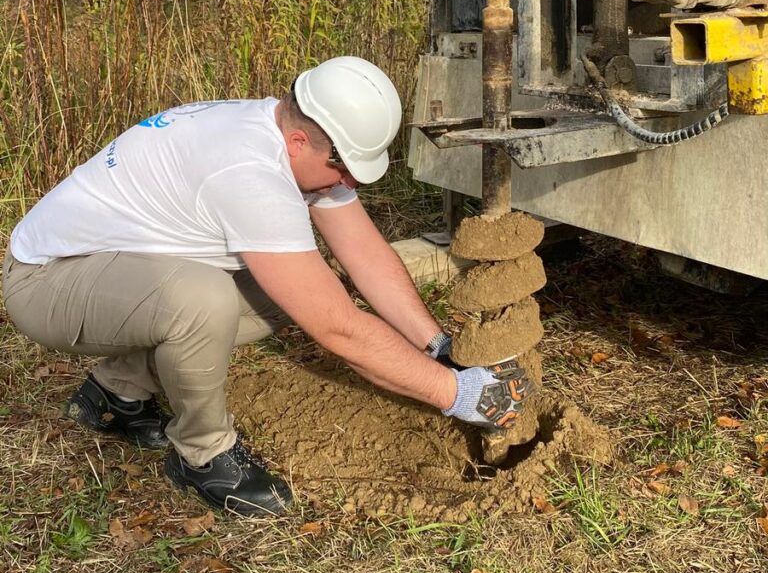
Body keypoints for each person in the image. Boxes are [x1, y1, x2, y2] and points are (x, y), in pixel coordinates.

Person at [2, 57, 530, 517]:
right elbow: (337, 329)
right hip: (49, 280)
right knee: (201, 300)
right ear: (301, 140)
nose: (348, 183)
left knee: (283, 293)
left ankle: (117, 392)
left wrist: (436, 348)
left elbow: (366, 256)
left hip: (119, 268)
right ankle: (202, 455)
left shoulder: (289, 136)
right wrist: (457, 395)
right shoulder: (248, 171)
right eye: (343, 168)